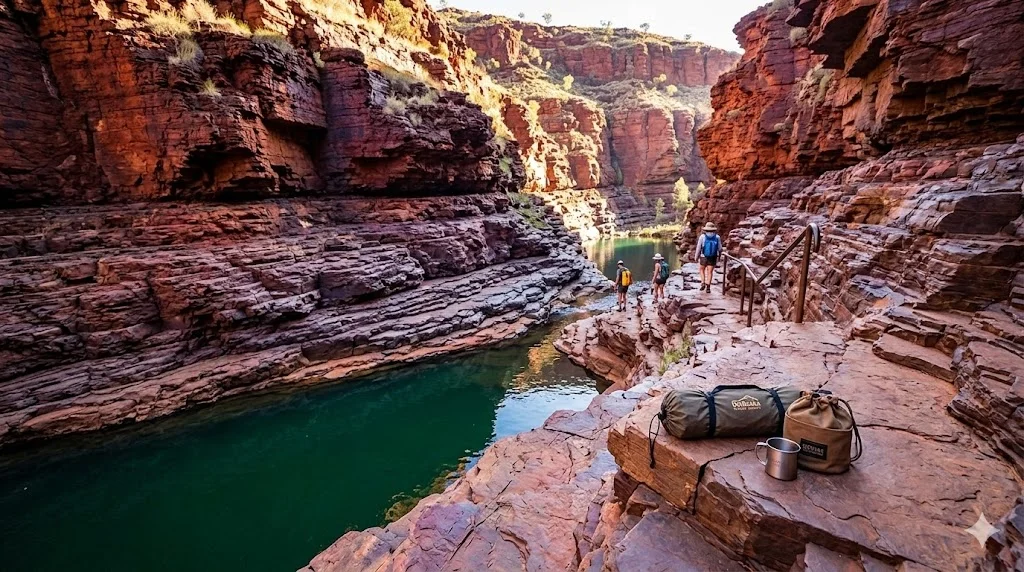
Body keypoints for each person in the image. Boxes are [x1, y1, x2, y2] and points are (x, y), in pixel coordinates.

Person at [694, 222, 721, 292]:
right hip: (713, 257)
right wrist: (719, 256)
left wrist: (696, 257)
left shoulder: (702, 237)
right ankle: (708, 286)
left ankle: (703, 282)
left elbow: (698, 248)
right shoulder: (717, 237)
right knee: (710, 272)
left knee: (701, 269)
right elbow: (720, 248)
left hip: (703, 256)